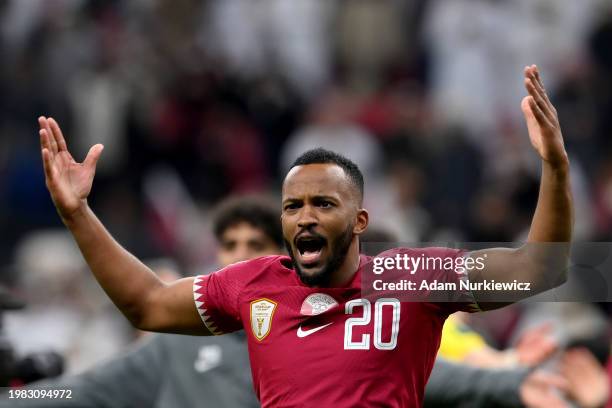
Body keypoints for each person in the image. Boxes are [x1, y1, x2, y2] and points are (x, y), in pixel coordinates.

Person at [36, 65, 572, 407]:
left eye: (323, 204)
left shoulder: (410, 275)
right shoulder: (252, 285)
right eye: (293, 207)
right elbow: (148, 305)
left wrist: (554, 167)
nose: (304, 217)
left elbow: (541, 268)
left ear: (360, 222)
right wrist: (77, 214)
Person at [1, 196, 282, 408]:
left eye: (256, 246)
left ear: (283, 257)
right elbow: (78, 390)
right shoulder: (177, 342)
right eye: (229, 245)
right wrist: (15, 395)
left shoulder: (306, 334)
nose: (240, 258)